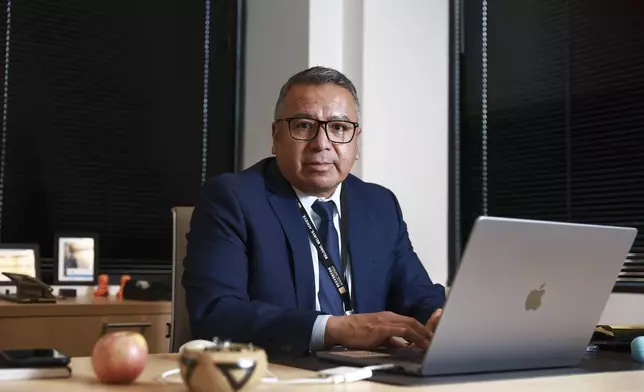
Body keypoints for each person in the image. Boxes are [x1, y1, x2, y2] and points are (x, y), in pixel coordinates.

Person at [182, 66, 446, 356]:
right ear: (276, 136)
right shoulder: (232, 199)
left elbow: (417, 294)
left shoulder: (379, 205)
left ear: (356, 141)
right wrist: (333, 329)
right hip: (279, 374)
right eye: (304, 125)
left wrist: (439, 317)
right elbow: (215, 314)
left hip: (367, 374)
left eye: (339, 128)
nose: (321, 144)